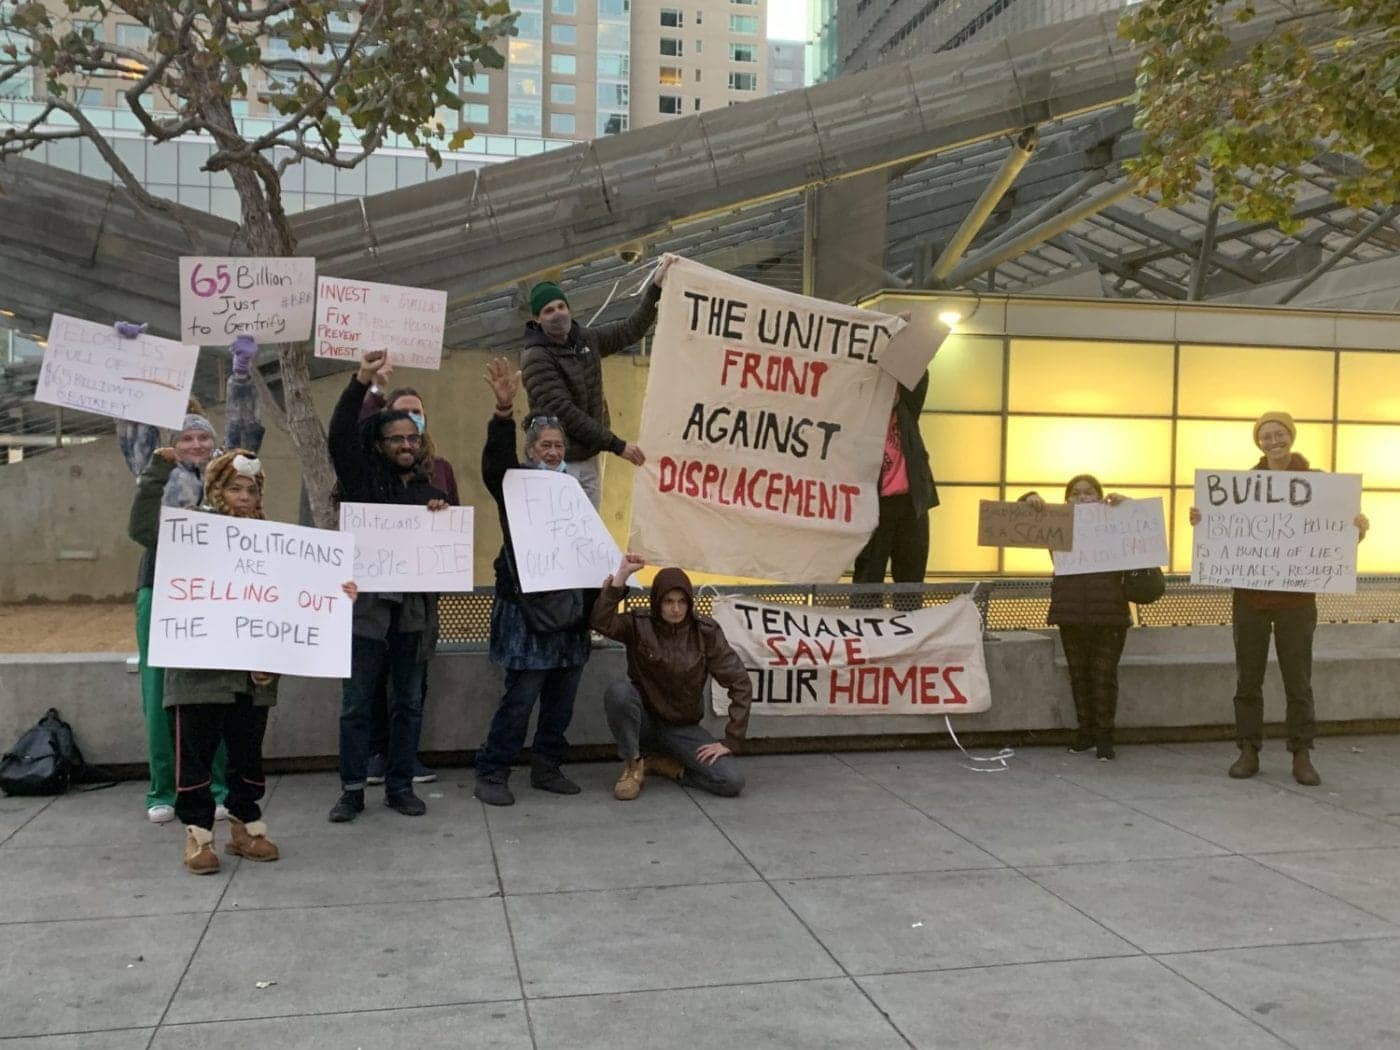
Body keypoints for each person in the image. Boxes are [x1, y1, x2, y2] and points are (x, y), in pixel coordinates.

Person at [130, 447, 356, 873]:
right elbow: (141, 527)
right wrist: (157, 472)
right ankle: (198, 836)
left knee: (246, 755)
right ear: (217, 490)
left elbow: (299, 597)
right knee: (194, 756)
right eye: (234, 488)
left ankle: (245, 826)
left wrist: (337, 593)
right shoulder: (190, 531)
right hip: (198, 673)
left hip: (254, 677)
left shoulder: (276, 542)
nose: (244, 497)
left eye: (251, 489)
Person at [119, 326, 265, 824]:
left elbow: (246, 431)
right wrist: (132, 361)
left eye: (204, 435)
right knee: (163, 692)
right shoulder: (158, 470)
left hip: (220, 597)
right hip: (162, 589)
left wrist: (241, 375)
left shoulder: (228, 476)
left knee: (219, 696)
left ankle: (218, 787)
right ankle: (164, 790)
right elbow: (135, 433)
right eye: (187, 436)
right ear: (174, 442)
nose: (198, 443)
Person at [1189, 412, 1369, 786]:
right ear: (1259, 442)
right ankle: (1248, 749)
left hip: (1297, 601)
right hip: (1250, 599)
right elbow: (1224, 533)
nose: (1273, 440)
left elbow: (1335, 539)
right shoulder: (1244, 486)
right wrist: (1203, 521)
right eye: (1266, 435)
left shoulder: (1320, 484)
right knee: (1247, 679)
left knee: (1298, 680)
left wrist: (1356, 530)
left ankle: (1302, 754)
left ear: (1292, 436)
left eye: (1280, 433)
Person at [327, 350, 452, 823]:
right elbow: (339, 436)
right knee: (357, 704)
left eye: (411, 438)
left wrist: (440, 522)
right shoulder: (361, 484)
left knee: (408, 703)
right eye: (395, 438)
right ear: (379, 445)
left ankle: (400, 786)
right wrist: (361, 381)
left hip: (412, 619)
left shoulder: (429, 494)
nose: (404, 444)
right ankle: (352, 790)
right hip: (368, 616)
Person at [473, 358, 594, 806]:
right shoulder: (515, 482)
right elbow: (493, 463)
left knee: (562, 696)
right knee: (521, 695)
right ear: (529, 449)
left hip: (569, 610)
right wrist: (502, 412)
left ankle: (547, 765)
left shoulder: (574, 490)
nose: (552, 451)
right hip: (526, 612)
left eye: (558, 445)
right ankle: (493, 770)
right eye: (544, 444)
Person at [357, 372, 460, 787]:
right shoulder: (373, 472)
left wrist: (439, 509)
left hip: (420, 593)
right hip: (379, 593)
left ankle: (407, 756)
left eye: (417, 414)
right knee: (376, 678)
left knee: (414, 681)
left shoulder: (441, 468)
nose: (411, 422)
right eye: (402, 414)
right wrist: (373, 387)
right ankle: (377, 754)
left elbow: (454, 521)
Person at [592, 553, 753, 801]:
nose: (676, 608)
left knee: (731, 781)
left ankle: (666, 766)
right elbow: (601, 622)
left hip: (682, 727)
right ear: (657, 602)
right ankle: (633, 766)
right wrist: (621, 577)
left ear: (689, 602)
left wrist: (731, 740)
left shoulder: (705, 632)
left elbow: (739, 682)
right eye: (668, 601)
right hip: (643, 722)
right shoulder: (639, 624)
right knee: (619, 692)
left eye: (681, 601)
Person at [519, 256, 672, 507]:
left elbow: (629, 330)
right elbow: (564, 412)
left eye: (561, 307)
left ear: (570, 309)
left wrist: (655, 289)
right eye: (549, 310)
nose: (557, 314)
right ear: (537, 319)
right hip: (558, 462)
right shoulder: (536, 357)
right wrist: (616, 445)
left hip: (589, 457)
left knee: (589, 535)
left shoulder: (586, 340)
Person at [1021, 477, 1131, 761]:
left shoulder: (1114, 524)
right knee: (1079, 675)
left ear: (1099, 497)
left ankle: (1104, 737)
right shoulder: (1058, 526)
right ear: (1067, 499)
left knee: (1103, 676)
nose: (1082, 498)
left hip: (1109, 614)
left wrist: (1128, 507)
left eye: (1089, 493)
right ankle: (1085, 733)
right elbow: (1019, 520)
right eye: (1076, 494)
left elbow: (1141, 532)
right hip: (1072, 613)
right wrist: (1030, 497)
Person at [852, 370, 939, 605]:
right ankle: (866, 630)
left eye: (893, 390)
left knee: (911, 575)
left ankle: (909, 627)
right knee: (869, 574)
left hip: (912, 505)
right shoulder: (860, 425)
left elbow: (919, 374)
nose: (888, 395)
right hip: (875, 507)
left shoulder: (907, 414)